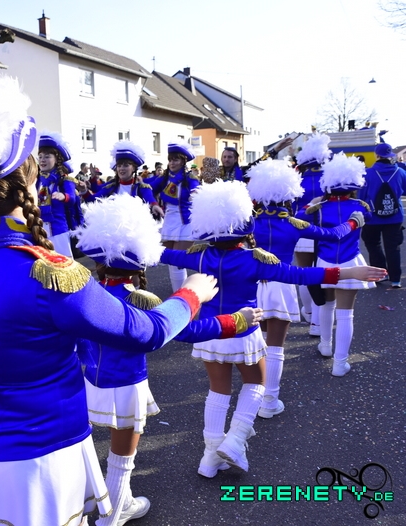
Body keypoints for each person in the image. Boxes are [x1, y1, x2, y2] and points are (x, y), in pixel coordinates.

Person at [0, 72, 220, 526]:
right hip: (40, 457)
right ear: (28, 182)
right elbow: (145, 332)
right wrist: (191, 295)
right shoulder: (51, 274)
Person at [159, 180, 384, 474]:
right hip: (243, 330)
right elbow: (301, 275)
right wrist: (351, 271)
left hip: (209, 330)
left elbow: (159, 254)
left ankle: (210, 457)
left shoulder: (197, 255)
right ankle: (235, 440)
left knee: (218, 392)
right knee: (256, 383)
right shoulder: (255, 260)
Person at [74, 194, 262, 517]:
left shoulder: (85, 291)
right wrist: (236, 321)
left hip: (88, 381)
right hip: (126, 385)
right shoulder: (141, 299)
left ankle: (113, 501)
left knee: (91, 445)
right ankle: (113, 515)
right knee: (122, 457)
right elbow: (185, 331)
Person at [247, 159, 363, 416]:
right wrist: (354, 222)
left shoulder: (247, 222)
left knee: (260, 341)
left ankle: (255, 395)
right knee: (276, 347)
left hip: (251, 286)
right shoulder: (292, 223)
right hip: (282, 284)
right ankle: (269, 401)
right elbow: (334, 234)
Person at [310, 154, 377, 376]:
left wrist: (313, 204)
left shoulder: (318, 208)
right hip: (351, 260)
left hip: (324, 261)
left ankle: (325, 345)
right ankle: (340, 363)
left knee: (327, 304)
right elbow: (371, 216)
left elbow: (299, 218)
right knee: (346, 314)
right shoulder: (361, 206)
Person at [291, 133, 333, 336]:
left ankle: (308, 313)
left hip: (302, 230)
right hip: (326, 231)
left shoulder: (296, 179)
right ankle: (317, 322)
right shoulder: (331, 178)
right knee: (321, 274)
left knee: (305, 273)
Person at [149, 142, 200, 292]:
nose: (172, 163)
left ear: (183, 161)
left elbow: (196, 189)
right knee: (171, 262)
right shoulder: (165, 177)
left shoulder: (189, 177)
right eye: (170, 159)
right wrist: (153, 203)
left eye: (176, 160)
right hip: (169, 220)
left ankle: (183, 296)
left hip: (185, 221)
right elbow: (148, 189)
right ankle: (178, 294)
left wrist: (196, 194)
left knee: (178, 262)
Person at [360, 143, 406, 288]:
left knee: (373, 244)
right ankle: (396, 279)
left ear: (377, 155)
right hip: (395, 216)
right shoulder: (400, 172)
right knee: (393, 247)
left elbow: (361, 197)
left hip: (372, 217)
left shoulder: (367, 173)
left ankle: (380, 275)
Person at [83, 141, 164, 220]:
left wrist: (155, 205)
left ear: (134, 168)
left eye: (126, 165)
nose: (121, 168)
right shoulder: (111, 188)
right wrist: (84, 190)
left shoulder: (141, 188)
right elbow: (92, 200)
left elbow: (149, 198)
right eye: (119, 166)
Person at [36, 132, 77, 257]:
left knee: (63, 263)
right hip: (39, 230)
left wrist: (64, 197)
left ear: (57, 159)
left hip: (58, 230)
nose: (42, 160)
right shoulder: (36, 180)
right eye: (40, 157)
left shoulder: (65, 180)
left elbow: (72, 198)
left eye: (47, 157)